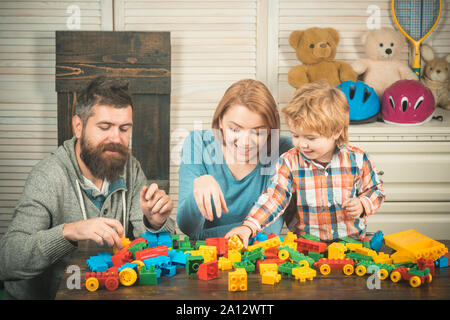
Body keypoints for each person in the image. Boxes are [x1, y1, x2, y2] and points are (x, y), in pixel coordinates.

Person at [0, 77, 175, 299]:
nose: (116, 138)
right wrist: (69, 231)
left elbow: (163, 250)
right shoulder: (48, 176)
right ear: (78, 126)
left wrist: (155, 224)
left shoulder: (131, 168)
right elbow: (7, 259)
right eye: (105, 127)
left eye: (124, 129)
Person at [225, 81, 385, 247]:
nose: (302, 144)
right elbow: (274, 197)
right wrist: (248, 227)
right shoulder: (289, 161)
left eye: (310, 138)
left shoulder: (358, 159)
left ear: (336, 131)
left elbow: (376, 190)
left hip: (352, 243)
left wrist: (363, 204)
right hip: (307, 247)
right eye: (296, 135)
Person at [177, 79, 294, 239]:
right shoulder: (198, 143)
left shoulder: (283, 151)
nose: (245, 142)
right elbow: (187, 227)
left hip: (258, 258)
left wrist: (204, 236)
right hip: (208, 256)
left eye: (258, 132)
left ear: (270, 131)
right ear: (221, 123)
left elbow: (271, 229)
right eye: (235, 129)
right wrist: (197, 193)